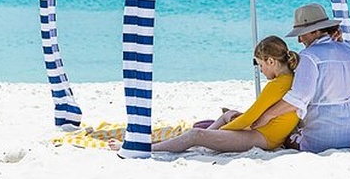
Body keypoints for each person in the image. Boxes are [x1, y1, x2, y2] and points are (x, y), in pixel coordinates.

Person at [111, 36, 300, 153]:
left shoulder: (276, 85)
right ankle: (189, 139)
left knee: (196, 135)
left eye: (261, 65)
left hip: (263, 139)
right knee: (228, 114)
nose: (260, 70)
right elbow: (255, 116)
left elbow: (249, 118)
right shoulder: (289, 78)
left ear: (271, 61)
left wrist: (217, 134)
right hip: (265, 132)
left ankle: (149, 147)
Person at [250, 3, 350, 152]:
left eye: (302, 33)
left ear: (316, 31)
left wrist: (266, 116)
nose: (299, 40)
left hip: (323, 139)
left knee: (283, 137)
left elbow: (298, 98)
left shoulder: (309, 56)